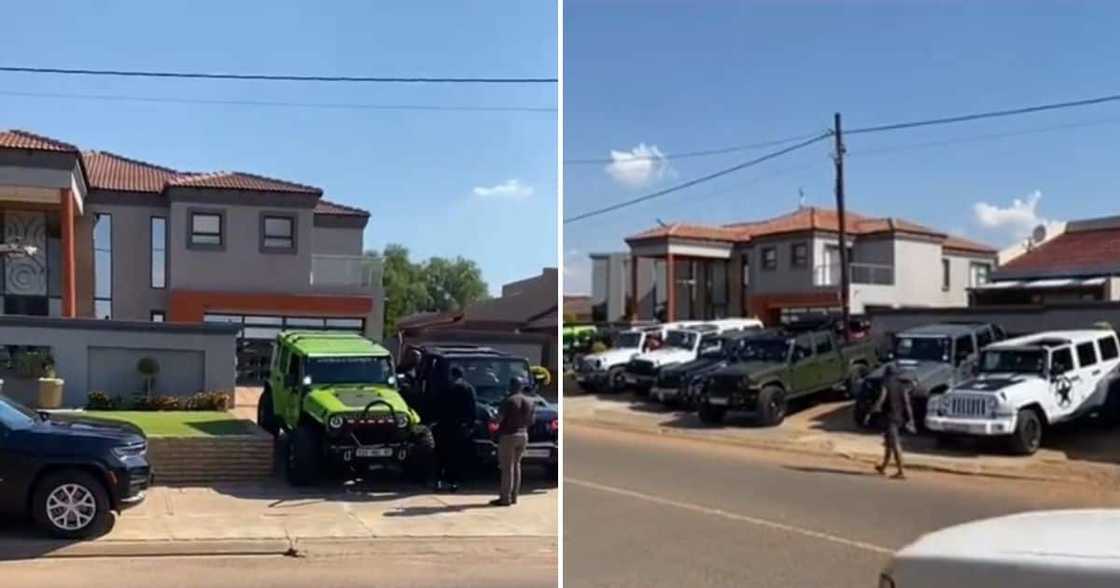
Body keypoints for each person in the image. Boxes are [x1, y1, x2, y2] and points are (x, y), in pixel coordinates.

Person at [491, 376, 536, 506]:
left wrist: (494, 418)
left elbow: (498, 419)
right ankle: (514, 496)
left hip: (509, 435)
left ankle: (505, 498)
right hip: (523, 434)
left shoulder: (509, 400)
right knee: (516, 465)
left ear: (511, 386)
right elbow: (532, 421)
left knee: (507, 468)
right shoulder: (530, 401)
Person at [865, 363, 916, 480]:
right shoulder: (902, 385)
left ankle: (901, 471)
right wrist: (910, 419)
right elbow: (907, 403)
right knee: (888, 443)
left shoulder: (886, 384)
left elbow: (881, 398)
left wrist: (872, 411)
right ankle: (883, 467)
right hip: (899, 417)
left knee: (894, 443)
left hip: (889, 417)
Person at [434, 365, 476, 492]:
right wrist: (470, 425)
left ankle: (440, 480)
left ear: (452, 375)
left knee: (442, 454)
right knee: (457, 455)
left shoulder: (447, 387)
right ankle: (454, 482)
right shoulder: (468, 388)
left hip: (445, 425)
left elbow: (438, 405)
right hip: (460, 426)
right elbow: (472, 408)